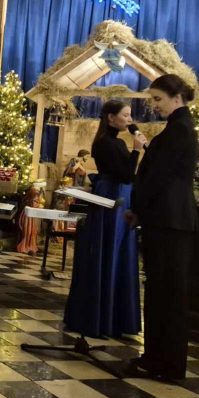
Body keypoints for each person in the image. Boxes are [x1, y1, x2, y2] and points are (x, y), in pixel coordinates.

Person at [129, 75, 198, 381]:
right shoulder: (178, 128)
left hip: (169, 220)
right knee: (161, 293)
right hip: (168, 220)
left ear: (177, 97)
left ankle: (165, 364)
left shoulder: (179, 130)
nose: (153, 105)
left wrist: (138, 210)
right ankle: (158, 358)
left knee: (166, 295)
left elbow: (159, 177)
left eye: (157, 99)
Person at [64, 100, 144, 339]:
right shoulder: (105, 143)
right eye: (126, 115)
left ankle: (117, 318)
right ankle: (101, 318)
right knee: (108, 252)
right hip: (112, 198)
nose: (130, 120)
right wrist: (137, 150)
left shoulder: (117, 142)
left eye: (130, 116)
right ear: (111, 118)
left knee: (120, 255)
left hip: (121, 198)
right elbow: (126, 174)